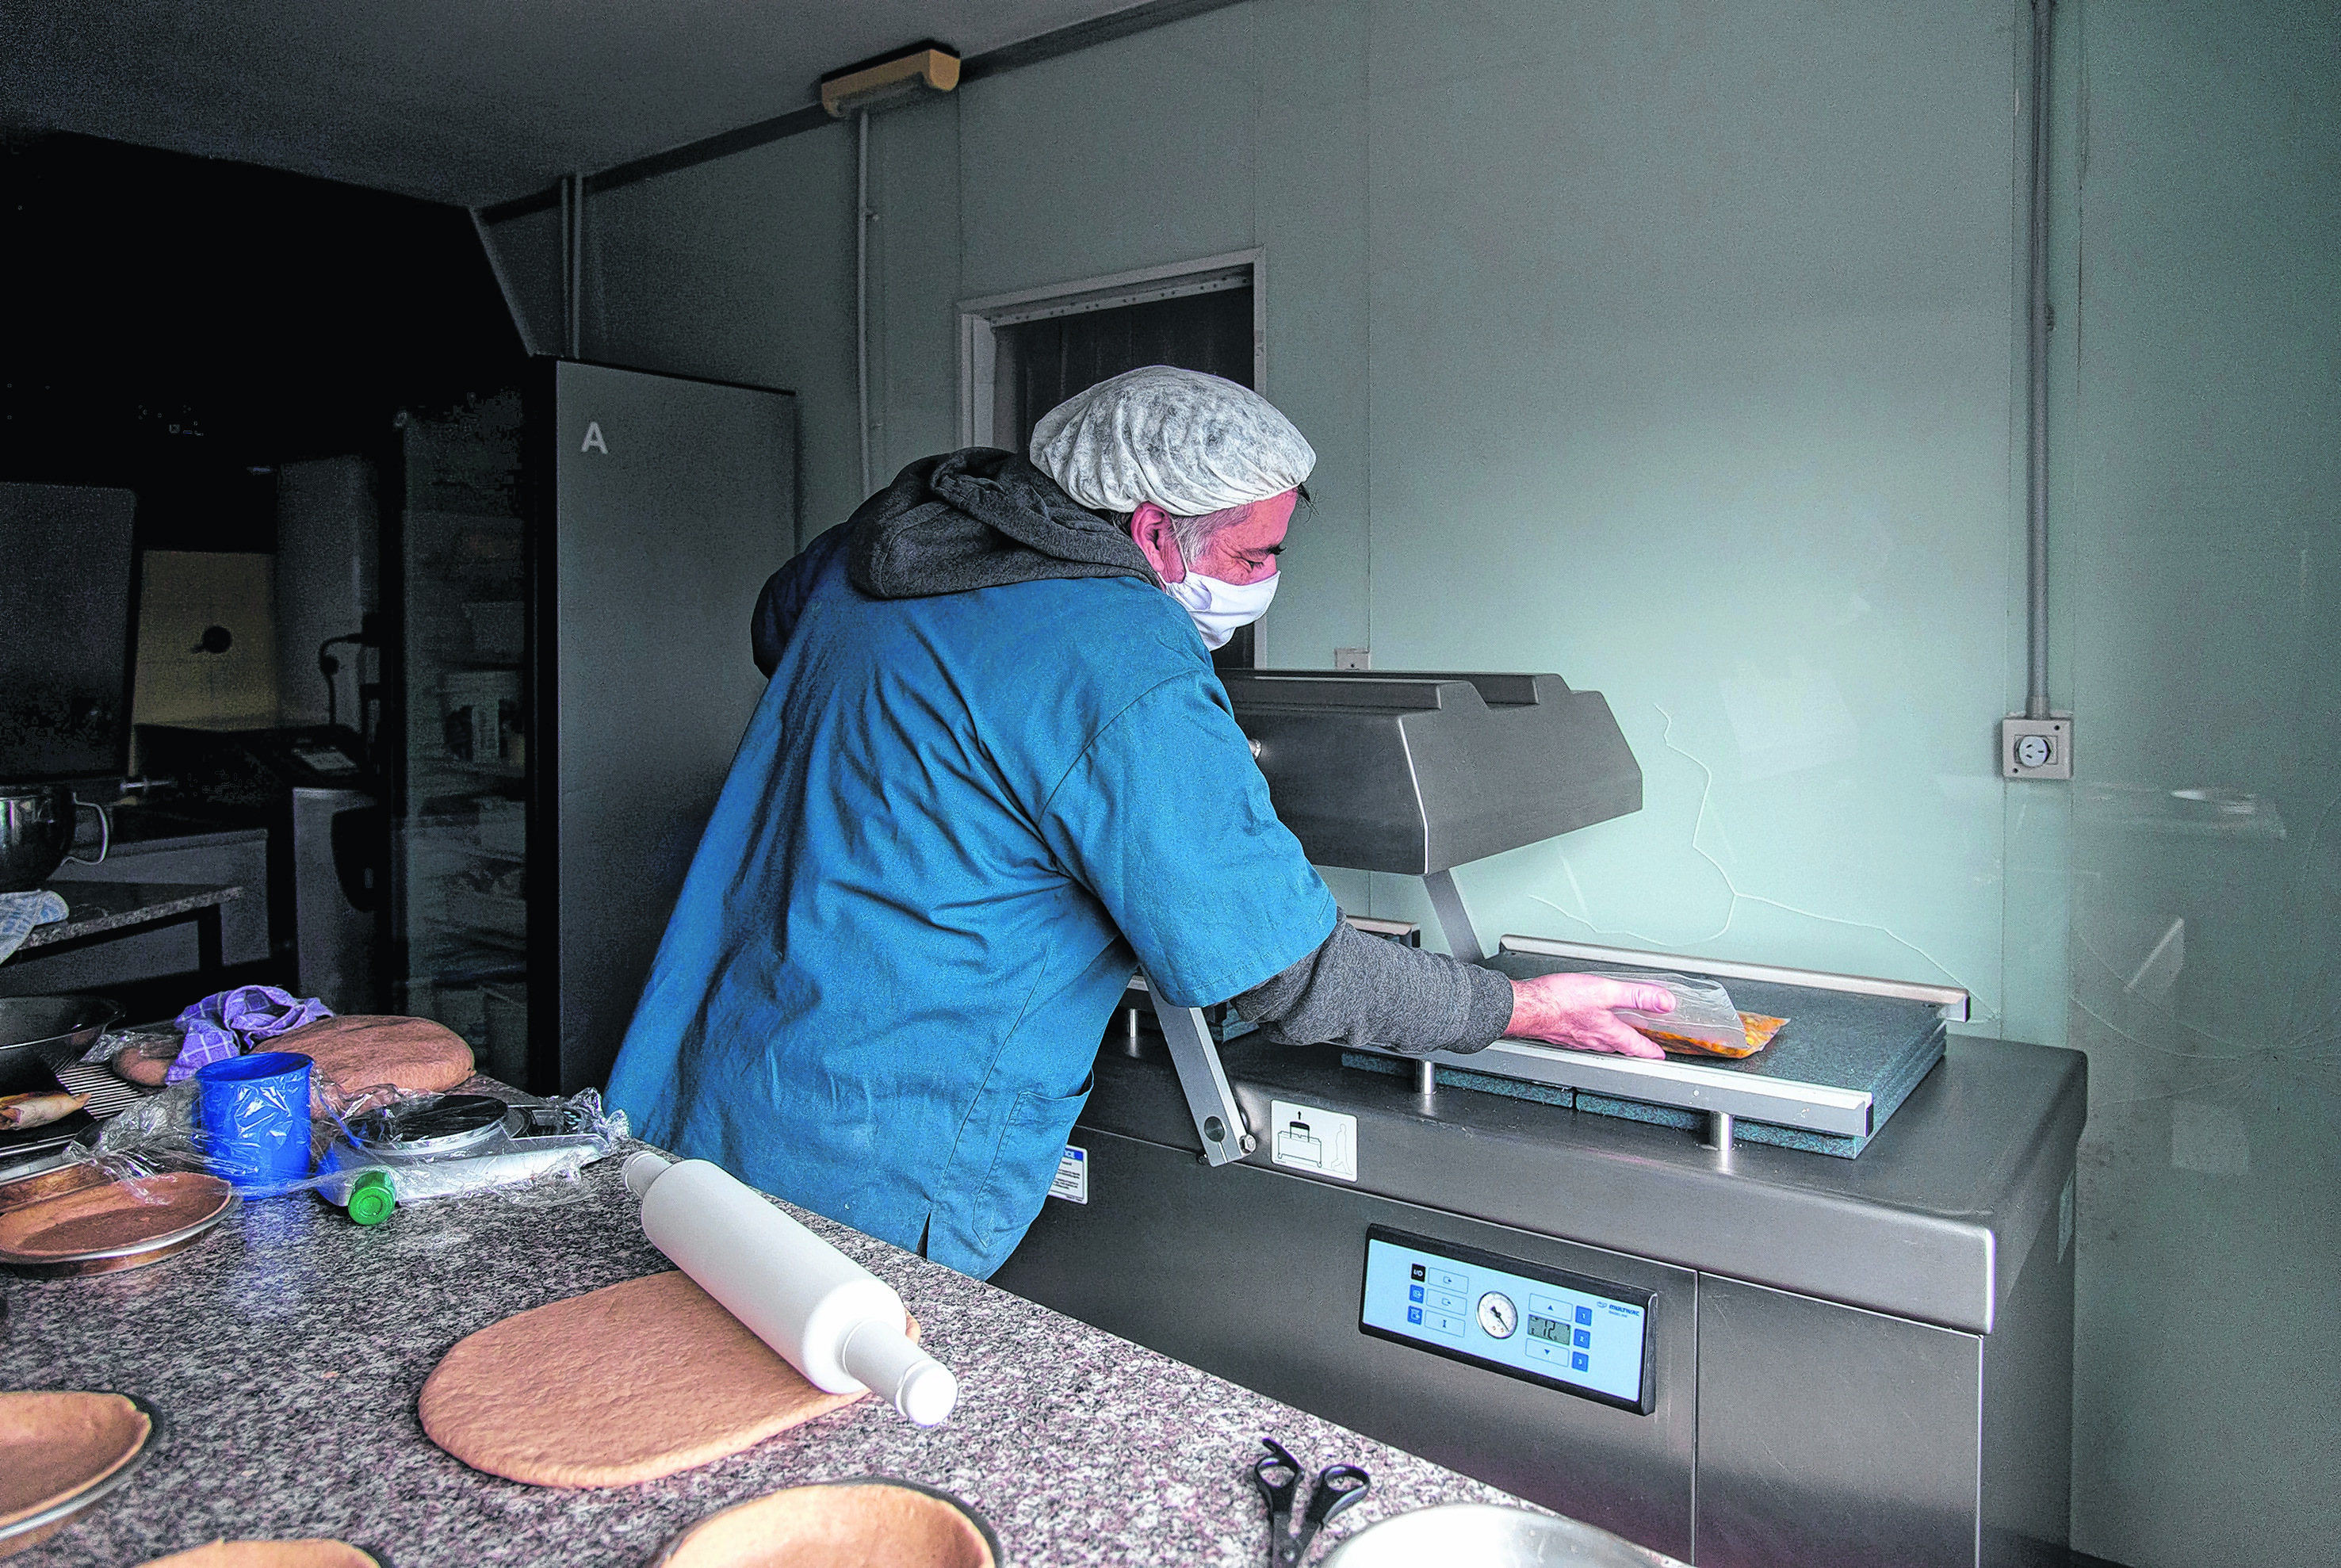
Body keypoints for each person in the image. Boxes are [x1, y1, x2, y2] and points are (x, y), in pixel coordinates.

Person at [606, 366, 1672, 1279]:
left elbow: (773, 624)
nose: (1268, 584)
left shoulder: (889, 544)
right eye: (1256, 559)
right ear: (1155, 533)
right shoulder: (1123, 661)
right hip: (872, 1149)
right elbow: (1288, 976)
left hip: (715, 1072)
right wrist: (1515, 1006)